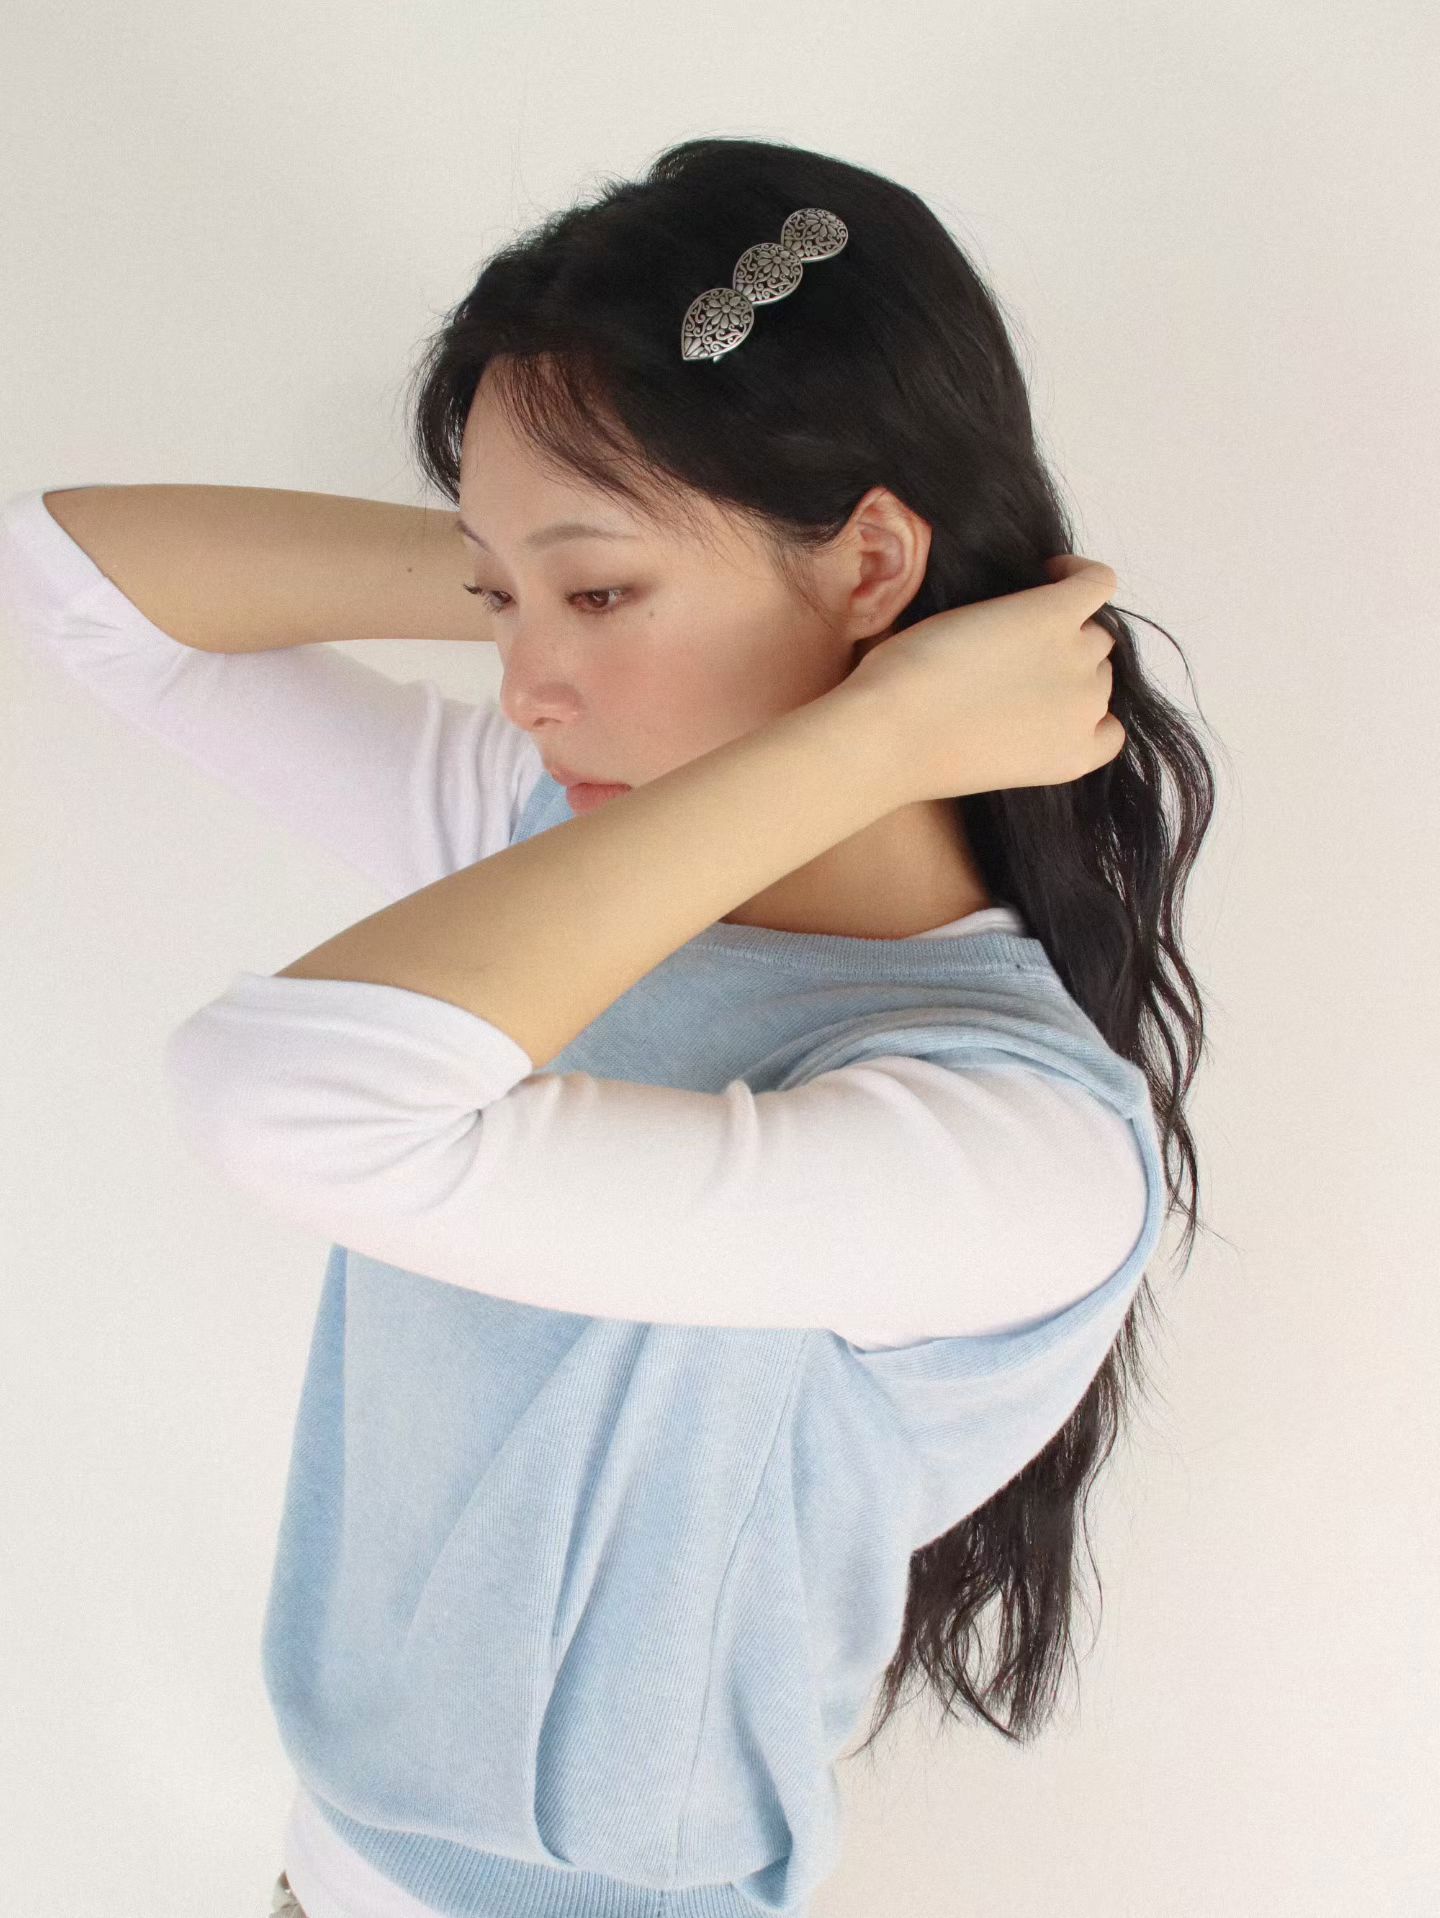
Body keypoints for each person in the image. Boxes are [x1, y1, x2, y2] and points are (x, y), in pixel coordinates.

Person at [3, 135, 1216, 1918]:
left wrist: (882, 730)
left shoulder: (1006, 1142)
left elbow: (283, 1099)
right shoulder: (550, 840)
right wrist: (553, 558)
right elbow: (76, 580)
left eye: (599, 599)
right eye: (501, 599)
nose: (523, 686)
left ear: (874, 563)